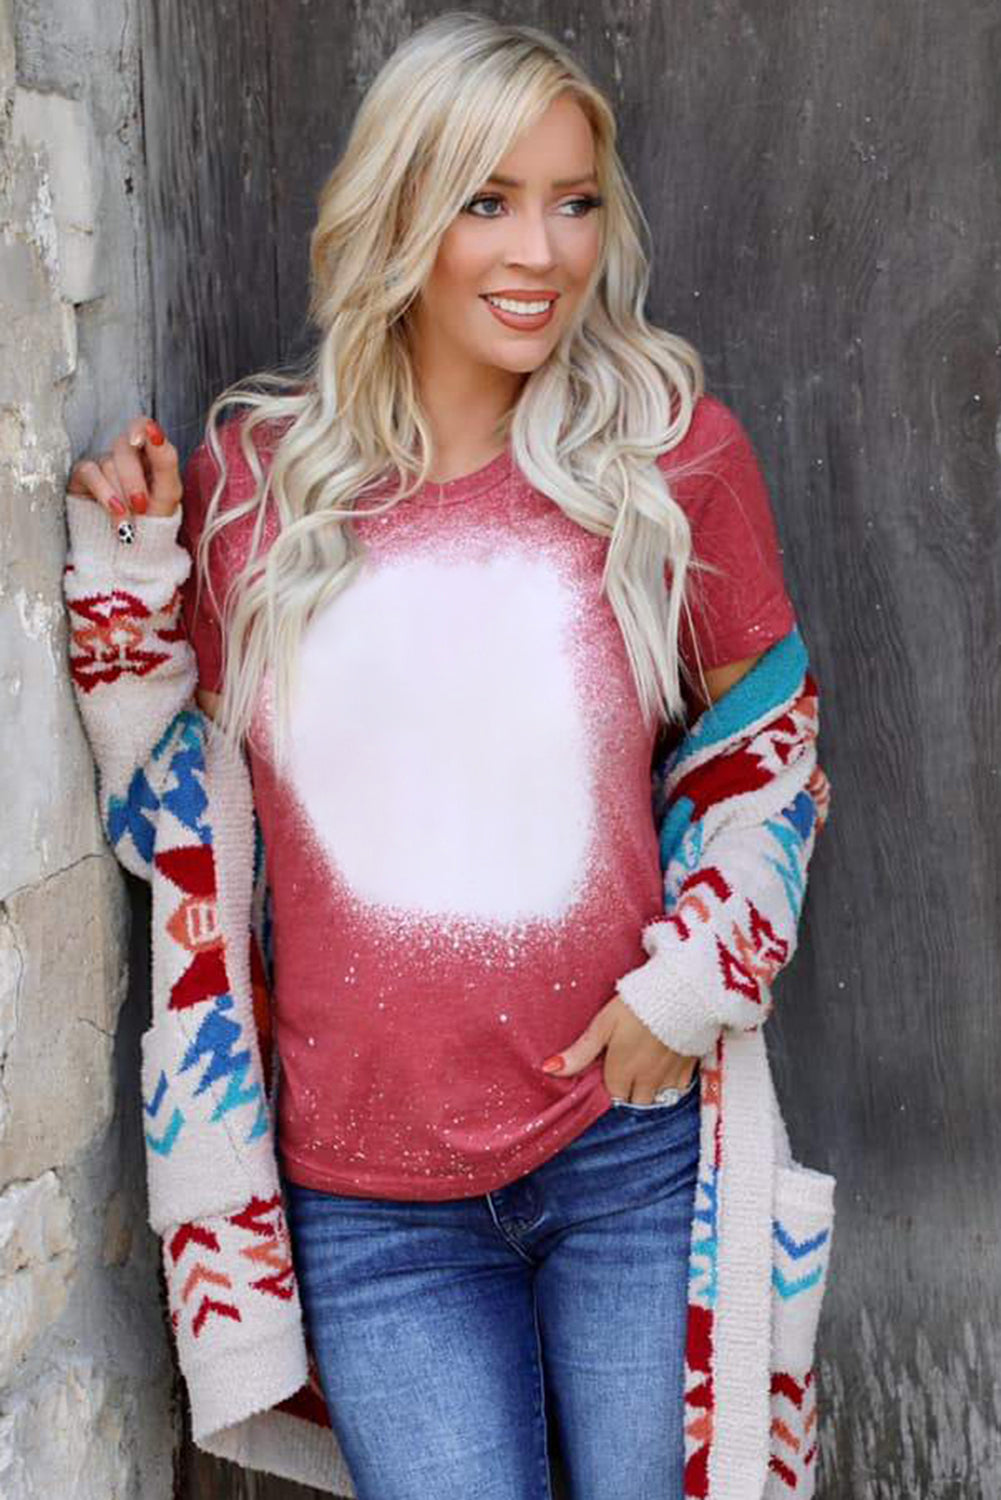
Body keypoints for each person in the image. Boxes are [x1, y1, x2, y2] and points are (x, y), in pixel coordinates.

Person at [62, 13, 834, 1499]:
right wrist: (132, 575)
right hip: (371, 1207)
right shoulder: (256, 489)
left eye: (573, 201)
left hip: (626, 1154)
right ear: (401, 210)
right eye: (488, 200)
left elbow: (772, 756)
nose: (540, 251)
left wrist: (689, 986)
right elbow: (174, 811)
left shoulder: (671, 461)